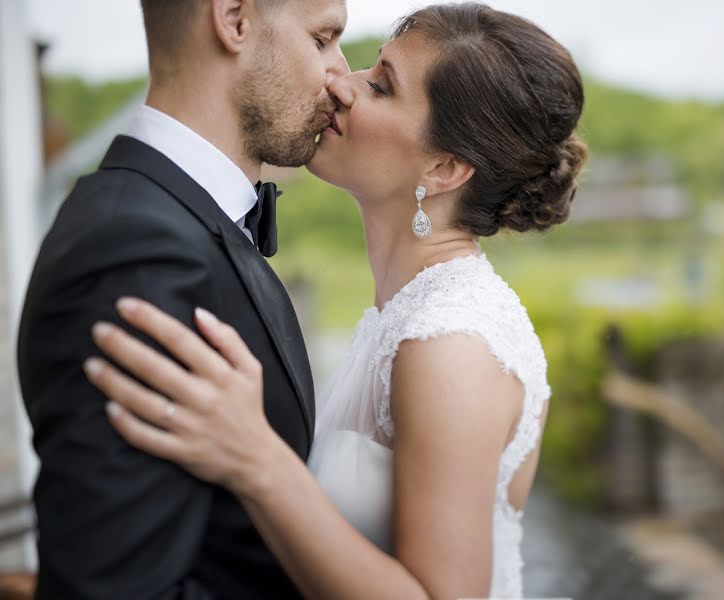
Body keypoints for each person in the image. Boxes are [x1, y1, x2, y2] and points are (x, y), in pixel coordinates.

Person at [84, 3, 587, 598]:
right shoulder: (402, 316)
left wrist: (256, 460)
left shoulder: (450, 344)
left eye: (380, 86)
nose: (340, 84)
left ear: (446, 166)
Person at [17, 0, 349, 597]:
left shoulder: (176, 221)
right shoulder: (133, 252)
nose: (341, 74)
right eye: (322, 38)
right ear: (235, 20)